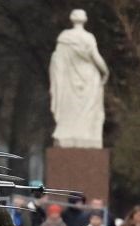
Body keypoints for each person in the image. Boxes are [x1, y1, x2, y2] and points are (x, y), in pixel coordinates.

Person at [49, 9, 109, 148]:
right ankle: (86, 136)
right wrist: (105, 71)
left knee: (70, 110)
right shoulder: (88, 38)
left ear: (72, 19)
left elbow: (57, 59)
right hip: (89, 79)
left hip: (69, 80)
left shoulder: (64, 37)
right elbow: (96, 57)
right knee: (88, 111)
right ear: (85, 19)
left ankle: (70, 135)